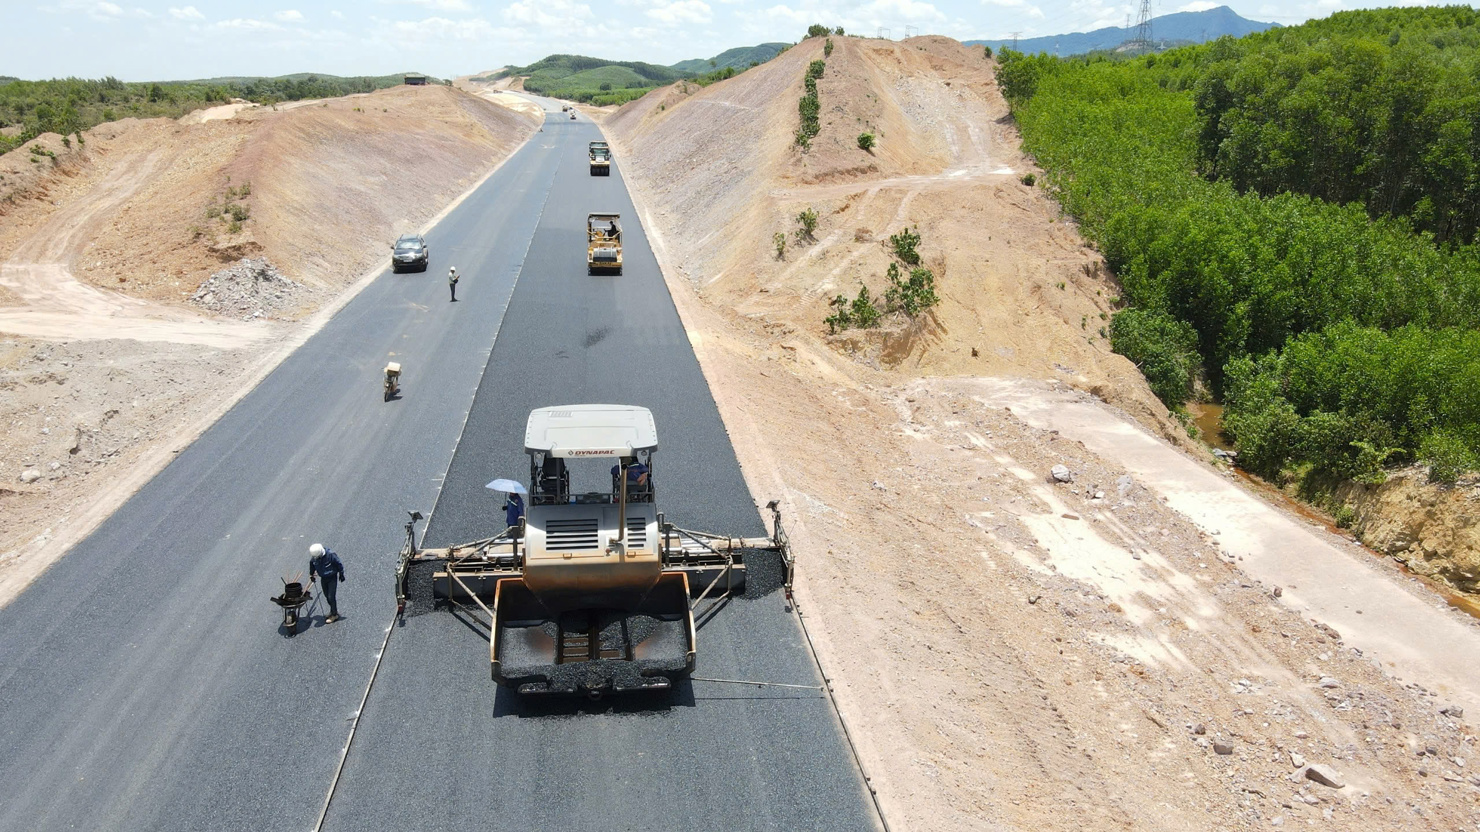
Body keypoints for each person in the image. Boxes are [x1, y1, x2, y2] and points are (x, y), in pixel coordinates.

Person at [308, 543, 346, 623]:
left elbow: (338, 563)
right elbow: (312, 564)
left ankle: (334, 615)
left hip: (332, 578)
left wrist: (341, 573)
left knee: (331, 597)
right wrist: (311, 575)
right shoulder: (315, 557)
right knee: (327, 596)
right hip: (323, 578)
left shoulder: (330, 555)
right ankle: (333, 611)